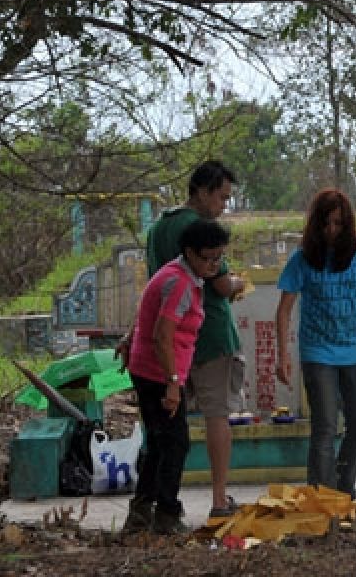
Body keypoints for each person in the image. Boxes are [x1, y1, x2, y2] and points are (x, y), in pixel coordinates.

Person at [123, 159, 246, 519]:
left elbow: (151, 290)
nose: (223, 206)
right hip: (197, 342)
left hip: (166, 354)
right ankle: (214, 499)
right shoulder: (200, 234)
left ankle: (147, 506)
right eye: (221, 198)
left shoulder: (159, 227)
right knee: (211, 418)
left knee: (163, 437)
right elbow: (221, 286)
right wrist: (237, 283)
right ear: (203, 191)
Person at [275, 188, 356, 495]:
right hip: (317, 352)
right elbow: (283, 310)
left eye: (337, 223)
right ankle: (321, 496)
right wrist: (283, 354)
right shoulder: (302, 258)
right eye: (325, 224)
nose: (331, 230)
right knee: (325, 426)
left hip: (354, 351)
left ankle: (343, 489)